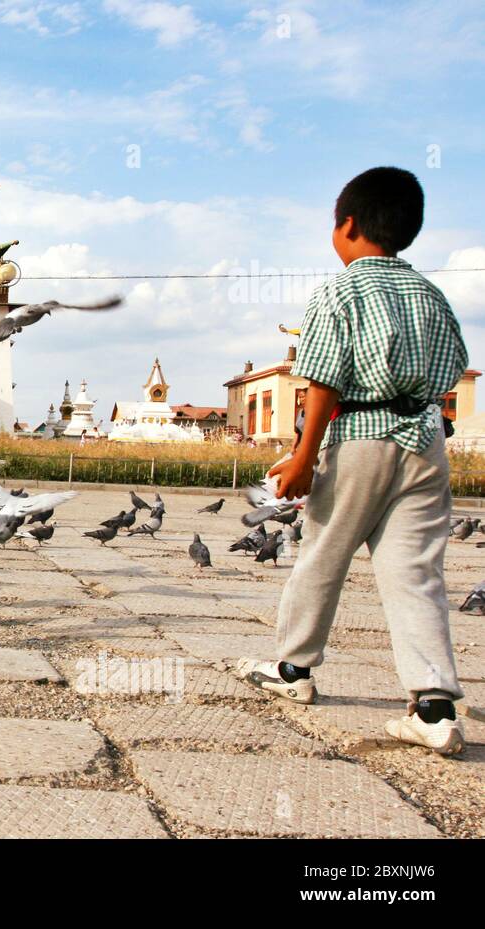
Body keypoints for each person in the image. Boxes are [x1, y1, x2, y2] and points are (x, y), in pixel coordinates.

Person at [235, 167, 469, 755]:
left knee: (323, 554)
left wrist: (303, 456)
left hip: (360, 434)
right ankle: (434, 705)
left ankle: (294, 671)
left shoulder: (340, 291)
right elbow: (454, 366)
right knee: (416, 572)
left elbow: (321, 382)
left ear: (347, 225)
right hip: (424, 442)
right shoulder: (430, 294)